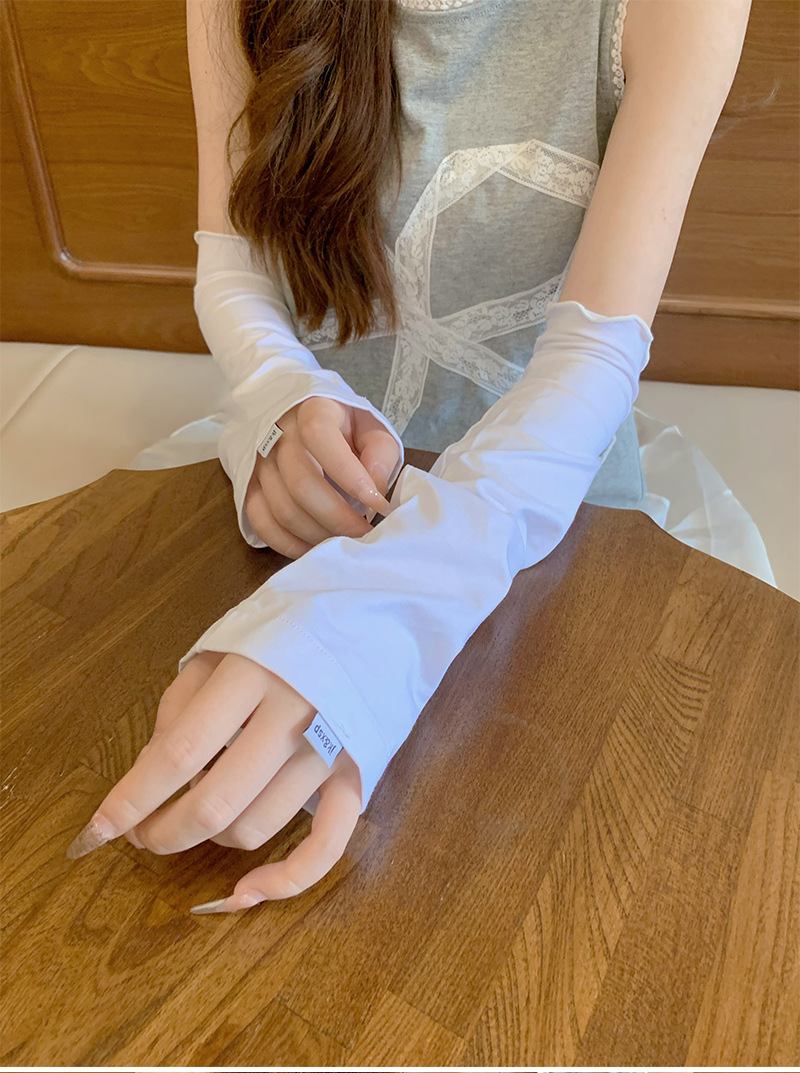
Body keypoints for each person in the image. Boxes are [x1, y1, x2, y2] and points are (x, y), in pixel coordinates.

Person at [66, 0, 753, 912]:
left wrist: (386, 602)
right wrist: (279, 402)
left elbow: (592, 355)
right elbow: (234, 269)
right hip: (318, 508)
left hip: (552, 514)